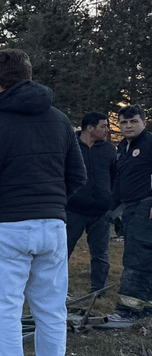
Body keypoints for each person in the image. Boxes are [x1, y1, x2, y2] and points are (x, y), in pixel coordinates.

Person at [0, 49, 86, 356]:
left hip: (3, 228)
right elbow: (77, 177)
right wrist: (51, 205)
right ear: (29, 76)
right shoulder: (59, 119)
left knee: (5, 311)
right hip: (52, 226)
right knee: (51, 311)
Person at [108, 105, 152, 322]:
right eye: (124, 122)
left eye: (133, 121)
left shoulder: (149, 143)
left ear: (144, 122)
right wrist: (111, 208)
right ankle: (146, 307)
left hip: (146, 207)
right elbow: (119, 181)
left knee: (136, 257)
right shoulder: (122, 147)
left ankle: (128, 310)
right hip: (130, 208)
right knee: (143, 257)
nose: (128, 126)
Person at [66, 111, 116, 296]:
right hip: (73, 210)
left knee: (101, 254)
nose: (108, 130)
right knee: (63, 251)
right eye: (104, 126)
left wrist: (110, 200)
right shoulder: (69, 147)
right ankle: (56, 289)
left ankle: (98, 291)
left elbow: (114, 177)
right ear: (90, 127)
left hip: (101, 212)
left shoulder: (109, 150)